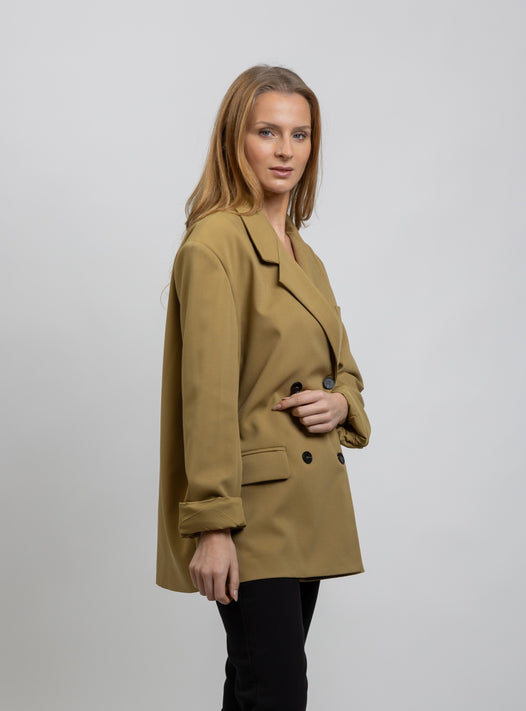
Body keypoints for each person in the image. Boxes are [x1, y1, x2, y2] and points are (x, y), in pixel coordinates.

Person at [156, 64, 371, 711]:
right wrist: (213, 526)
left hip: (305, 503)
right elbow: (206, 396)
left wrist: (340, 402)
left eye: (300, 135)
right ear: (235, 138)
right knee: (274, 691)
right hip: (251, 512)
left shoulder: (306, 255)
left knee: (257, 689)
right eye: (267, 132)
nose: (285, 151)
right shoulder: (215, 243)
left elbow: (345, 369)